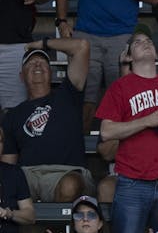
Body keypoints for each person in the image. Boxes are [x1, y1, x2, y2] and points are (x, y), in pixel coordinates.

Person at [96, 28, 158, 233]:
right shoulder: (120, 87)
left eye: (149, 40)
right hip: (132, 181)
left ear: (157, 55)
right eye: (138, 42)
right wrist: (146, 121)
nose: (146, 43)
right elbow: (106, 131)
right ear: (128, 56)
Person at [55, 0, 158, 118]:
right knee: (82, 106)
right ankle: (79, 148)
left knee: (123, 105)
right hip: (86, 35)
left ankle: (113, 148)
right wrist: (62, 22)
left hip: (123, 36)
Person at [2, 40, 94, 206]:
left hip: (64, 172)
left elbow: (82, 47)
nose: (37, 64)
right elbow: (8, 164)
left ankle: (52, 232)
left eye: (43, 62)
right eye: (31, 63)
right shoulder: (13, 115)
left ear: (51, 72)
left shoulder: (68, 94)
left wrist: (42, 44)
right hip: (26, 175)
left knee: (70, 186)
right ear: (21, 76)